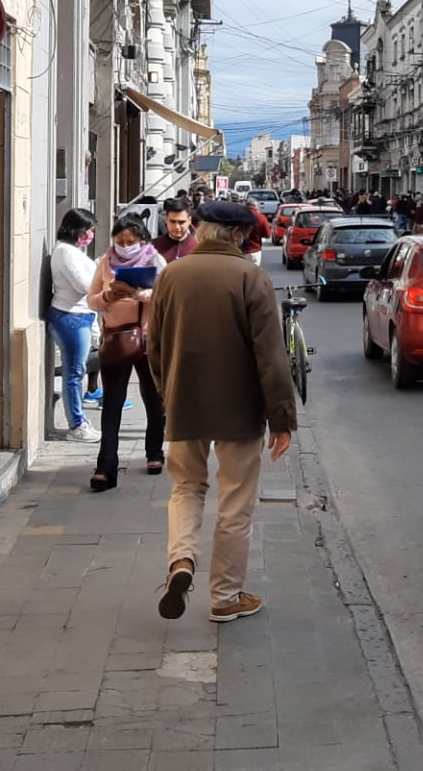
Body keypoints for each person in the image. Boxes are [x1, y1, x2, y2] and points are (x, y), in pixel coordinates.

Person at [148, 201, 298, 623]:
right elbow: (270, 355)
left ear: (202, 230)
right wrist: (281, 420)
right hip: (239, 408)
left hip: (184, 403)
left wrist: (167, 392)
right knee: (235, 502)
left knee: (186, 488)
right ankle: (225, 597)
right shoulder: (251, 277)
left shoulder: (171, 275)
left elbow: (154, 346)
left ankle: (181, 561)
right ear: (235, 235)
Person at [87, 217, 167, 489]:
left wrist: (139, 294)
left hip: (147, 340)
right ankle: (105, 467)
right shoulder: (105, 262)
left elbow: (165, 296)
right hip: (116, 339)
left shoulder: (154, 260)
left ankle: (154, 453)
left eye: (130, 242)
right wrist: (108, 297)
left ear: (141, 240)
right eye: (119, 242)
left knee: (152, 398)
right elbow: (91, 299)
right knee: (112, 402)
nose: (124, 247)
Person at [48, 208, 101, 443]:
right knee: (74, 374)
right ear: (77, 229)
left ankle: (80, 421)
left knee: (77, 372)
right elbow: (84, 285)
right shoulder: (65, 252)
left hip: (80, 316)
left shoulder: (74, 251)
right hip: (70, 318)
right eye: (89, 229)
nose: (91, 234)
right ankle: (76, 424)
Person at [153, 198, 198, 262]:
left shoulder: (198, 247)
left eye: (181, 222)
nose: (177, 227)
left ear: (189, 220)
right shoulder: (153, 247)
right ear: (166, 220)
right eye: (172, 221)